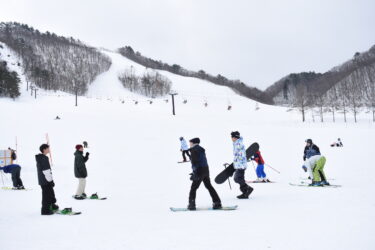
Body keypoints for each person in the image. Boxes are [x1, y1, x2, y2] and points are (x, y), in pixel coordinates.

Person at [188, 138, 221, 210]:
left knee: (193, 188)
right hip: (206, 170)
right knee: (209, 186)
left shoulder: (194, 150)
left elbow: (195, 162)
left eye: (190, 143)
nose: (189, 144)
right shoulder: (201, 149)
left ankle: (191, 205)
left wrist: (195, 172)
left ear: (193, 143)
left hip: (199, 170)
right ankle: (217, 202)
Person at [35, 144, 59, 215]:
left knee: (50, 192)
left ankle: (52, 205)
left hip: (44, 180)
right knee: (46, 195)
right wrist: (50, 181)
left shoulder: (42, 157)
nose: (49, 150)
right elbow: (46, 171)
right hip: (45, 180)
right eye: (48, 148)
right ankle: (45, 210)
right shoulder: (43, 158)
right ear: (44, 149)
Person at [231, 131, 253, 199]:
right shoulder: (236, 143)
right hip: (240, 164)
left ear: (235, 137)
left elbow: (241, 155)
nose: (231, 138)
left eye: (232, 137)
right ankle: (245, 192)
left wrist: (238, 162)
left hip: (241, 165)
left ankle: (248, 189)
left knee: (237, 178)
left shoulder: (238, 144)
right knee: (239, 179)